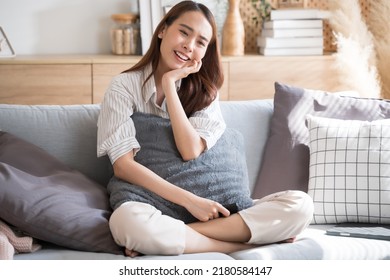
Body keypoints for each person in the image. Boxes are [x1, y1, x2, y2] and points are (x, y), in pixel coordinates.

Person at [97, 1, 313, 257]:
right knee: (127, 222)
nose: (189, 45)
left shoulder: (206, 93)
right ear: (162, 30)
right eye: (184, 32)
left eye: (201, 42)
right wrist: (190, 201)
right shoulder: (122, 87)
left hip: (212, 210)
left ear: (206, 52)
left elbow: (189, 150)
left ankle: (179, 235)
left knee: (300, 206)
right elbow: (123, 165)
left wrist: (169, 85)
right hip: (151, 204)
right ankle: (239, 243)